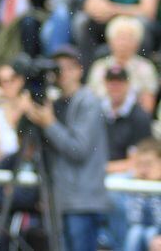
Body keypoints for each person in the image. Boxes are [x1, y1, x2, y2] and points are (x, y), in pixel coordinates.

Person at [19, 45, 110, 251]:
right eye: (57, 68)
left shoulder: (89, 102)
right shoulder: (54, 103)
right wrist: (28, 111)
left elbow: (78, 149)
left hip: (82, 201)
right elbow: (29, 147)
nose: (62, 73)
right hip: (58, 199)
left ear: (79, 70)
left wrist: (49, 123)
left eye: (68, 68)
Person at [87, 15, 159, 112]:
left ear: (137, 43)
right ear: (110, 41)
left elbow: (148, 105)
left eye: (129, 38)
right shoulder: (100, 66)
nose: (124, 43)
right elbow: (91, 98)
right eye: (120, 38)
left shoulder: (146, 67)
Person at [100, 65, 153, 175]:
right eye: (111, 82)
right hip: (97, 173)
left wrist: (102, 168)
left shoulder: (140, 117)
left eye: (119, 82)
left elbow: (138, 161)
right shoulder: (97, 112)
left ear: (127, 85)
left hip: (127, 177)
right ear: (105, 84)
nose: (115, 87)